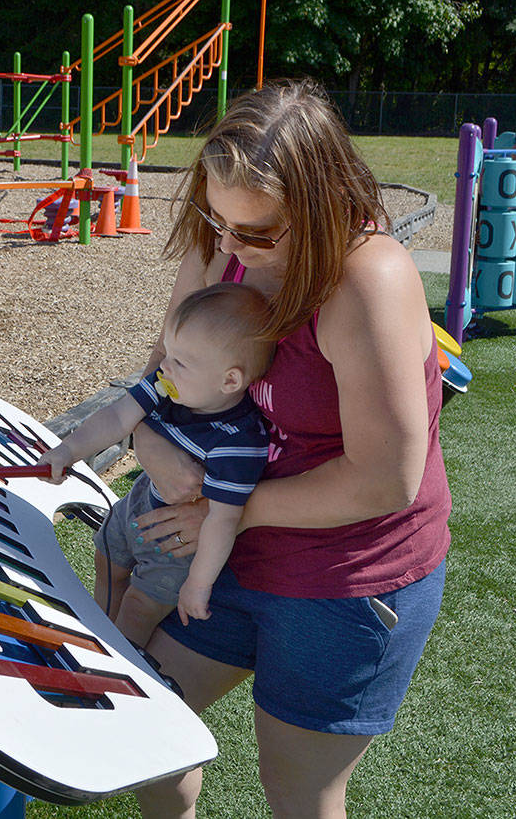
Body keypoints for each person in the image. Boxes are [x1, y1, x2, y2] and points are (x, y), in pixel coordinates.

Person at [119, 80, 452, 818]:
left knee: (298, 790)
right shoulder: (227, 238)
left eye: (258, 233)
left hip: (351, 574)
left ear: (325, 201)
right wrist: (145, 437)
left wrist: (223, 513)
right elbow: (163, 370)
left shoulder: (367, 280)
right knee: (147, 731)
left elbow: (386, 481)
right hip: (236, 543)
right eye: (217, 218)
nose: (229, 247)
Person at [40, 282, 274, 647]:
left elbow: (223, 519)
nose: (164, 365)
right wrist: (67, 450)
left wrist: (198, 584)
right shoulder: (168, 386)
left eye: (180, 361)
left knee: (137, 608)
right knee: (107, 563)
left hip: (177, 544)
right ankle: (99, 636)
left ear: (230, 380)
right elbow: (118, 417)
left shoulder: (238, 443)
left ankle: (112, 667)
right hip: (137, 504)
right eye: (168, 352)